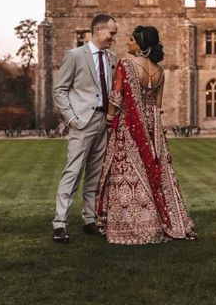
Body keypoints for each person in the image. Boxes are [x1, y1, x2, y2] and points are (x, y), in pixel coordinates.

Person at [96, 25, 197, 244]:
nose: (127, 43)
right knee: (156, 168)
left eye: (131, 40)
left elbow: (116, 97)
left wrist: (110, 119)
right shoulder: (160, 71)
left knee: (129, 169)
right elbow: (157, 104)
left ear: (141, 44)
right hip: (153, 124)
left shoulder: (127, 64)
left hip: (131, 123)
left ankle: (133, 227)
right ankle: (163, 221)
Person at [51, 14, 118, 244]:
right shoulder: (75, 55)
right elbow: (59, 89)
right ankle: (59, 224)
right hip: (82, 122)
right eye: (111, 33)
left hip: (103, 122)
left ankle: (89, 220)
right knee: (73, 172)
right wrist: (72, 119)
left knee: (95, 175)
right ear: (98, 31)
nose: (113, 38)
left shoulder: (112, 58)